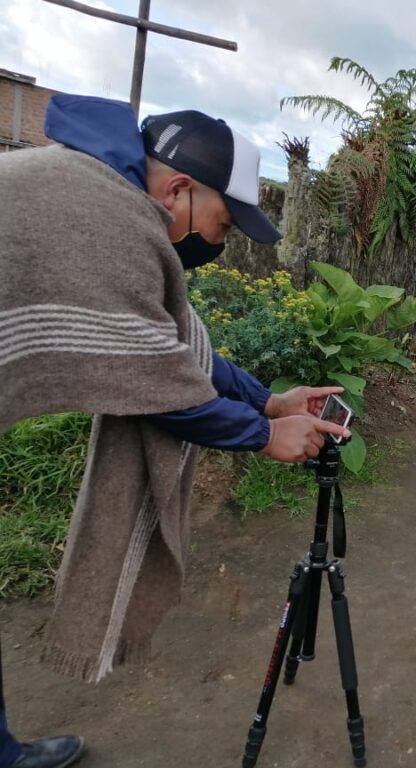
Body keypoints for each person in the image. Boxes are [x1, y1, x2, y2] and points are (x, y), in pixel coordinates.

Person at [0, 94, 350, 767]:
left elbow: (174, 350)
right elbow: (154, 384)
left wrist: (269, 402)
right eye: (222, 224)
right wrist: (261, 435)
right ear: (180, 191)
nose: (217, 246)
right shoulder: (106, 216)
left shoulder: (109, 194)